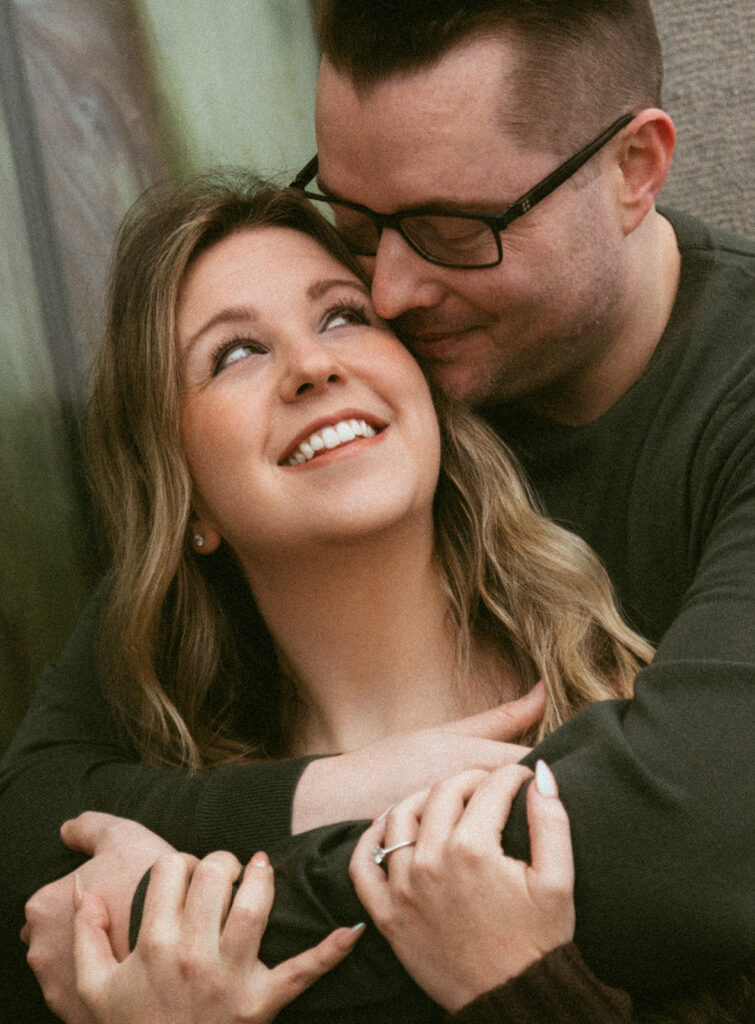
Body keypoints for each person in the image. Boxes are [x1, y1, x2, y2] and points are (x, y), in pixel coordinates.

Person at [2, 0, 753, 1016]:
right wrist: (340, 788)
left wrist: (169, 922)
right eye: (357, 226)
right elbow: (35, 818)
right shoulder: (418, 368)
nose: (392, 293)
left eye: (451, 231)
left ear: (633, 169)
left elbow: (680, 845)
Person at [16, 169, 649, 1024]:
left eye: (342, 316)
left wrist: (527, 991)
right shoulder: (172, 896)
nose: (313, 366)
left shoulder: (646, 712)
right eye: (235, 353)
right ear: (187, 500)